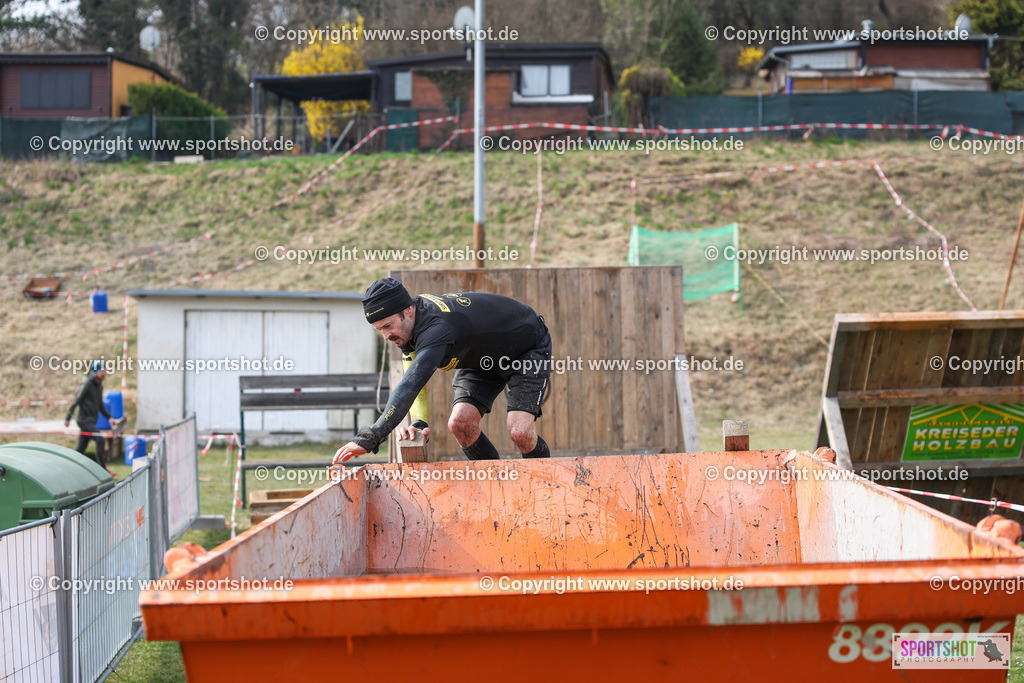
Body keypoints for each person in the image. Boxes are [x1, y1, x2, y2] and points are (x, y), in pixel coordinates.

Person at [332, 278, 552, 464]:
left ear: (408, 311)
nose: (386, 336)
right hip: (482, 357)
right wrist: (419, 423)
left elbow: (410, 386)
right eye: (379, 329)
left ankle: (546, 489)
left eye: (388, 326)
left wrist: (370, 437)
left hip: (526, 348)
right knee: (460, 424)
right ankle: (498, 485)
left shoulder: (436, 328)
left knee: (520, 432)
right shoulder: (408, 327)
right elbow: (413, 380)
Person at [65, 360, 120, 475]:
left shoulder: (99, 385)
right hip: (84, 420)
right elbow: (76, 400)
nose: (104, 373)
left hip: (92, 420)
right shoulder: (87, 384)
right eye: (101, 371)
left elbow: (100, 405)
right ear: (95, 372)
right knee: (100, 439)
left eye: (105, 371)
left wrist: (109, 418)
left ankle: (68, 468)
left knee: (81, 448)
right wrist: (68, 417)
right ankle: (103, 470)